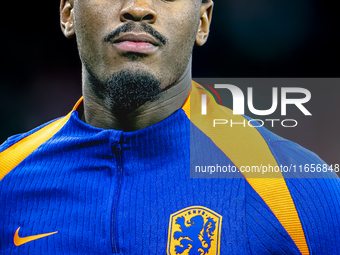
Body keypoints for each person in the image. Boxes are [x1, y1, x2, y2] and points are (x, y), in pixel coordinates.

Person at [0, 0, 339, 254]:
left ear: (203, 22)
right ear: (67, 12)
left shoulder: (298, 188)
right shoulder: (6, 178)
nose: (138, 8)